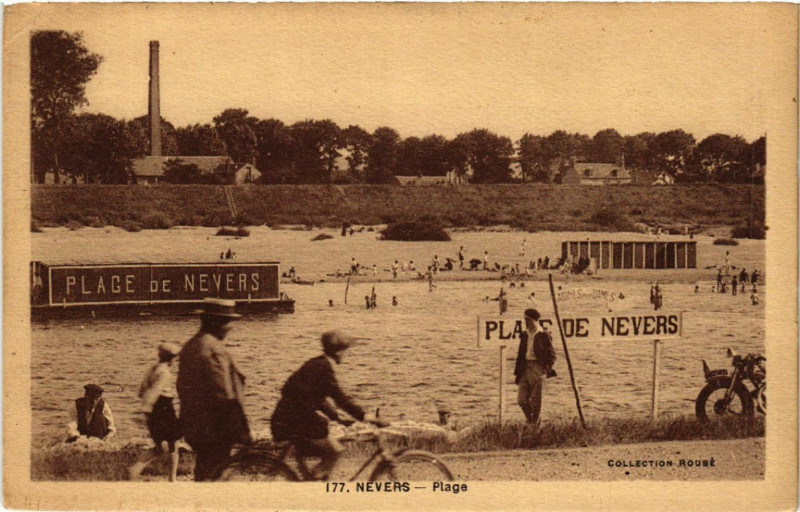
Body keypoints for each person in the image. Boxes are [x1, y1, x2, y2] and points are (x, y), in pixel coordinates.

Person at [270, 331, 386, 480]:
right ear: (338, 351)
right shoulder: (324, 368)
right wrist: (367, 417)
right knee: (335, 451)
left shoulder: (316, 363)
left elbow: (312, 396)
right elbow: (340, 398)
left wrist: (336, 416)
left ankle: (313, 481)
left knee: (327, 443)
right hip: (293, 422)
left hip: (287, 418)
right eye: (346, 351)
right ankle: (315, 488)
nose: (346, 355)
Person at [177, 298, 250, 481]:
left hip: (195, 424)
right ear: (218, 323)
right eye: (229, 322)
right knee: (217, 473)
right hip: (216, 428)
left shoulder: (190, 346)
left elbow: (182, 387)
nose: (231, 327)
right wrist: (242, 429)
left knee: (205, 472)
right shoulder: (214, 349)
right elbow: (225, 394)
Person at [129, 343, 182, 482]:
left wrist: (146, 412)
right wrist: (148, 408)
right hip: (164, 408)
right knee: (173, 443)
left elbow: (141, 391)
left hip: (154, 410)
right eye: (175, 358)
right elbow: (155, 392)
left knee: (159, 446)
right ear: (171, 359)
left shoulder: (152, 369)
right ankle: (172, 478)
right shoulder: (165, 373)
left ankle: (136, 469)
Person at [513, 309, 556, 427]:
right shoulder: (525, 335)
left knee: (536, 401)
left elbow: (552, 356)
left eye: (528, 320)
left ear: (535, 321)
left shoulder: (544, 335)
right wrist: (517, 373)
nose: (526, 322)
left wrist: (545, 371)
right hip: (525, 368)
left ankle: (534, 425)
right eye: (525, 320)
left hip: (538, 368)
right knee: (521, 400)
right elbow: (520, 355)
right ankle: (531, 420)